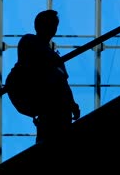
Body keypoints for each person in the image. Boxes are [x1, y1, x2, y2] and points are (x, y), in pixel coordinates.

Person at [16, 9, 80, 144]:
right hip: (50, 102)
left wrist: (72, 103)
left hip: (52, 103)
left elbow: (62, 82)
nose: (52, 28)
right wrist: (72, 103)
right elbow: (61, 81)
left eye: (54, 25)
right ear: (38, 26)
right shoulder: (31, 43)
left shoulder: (38, 47)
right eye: (50, 24)